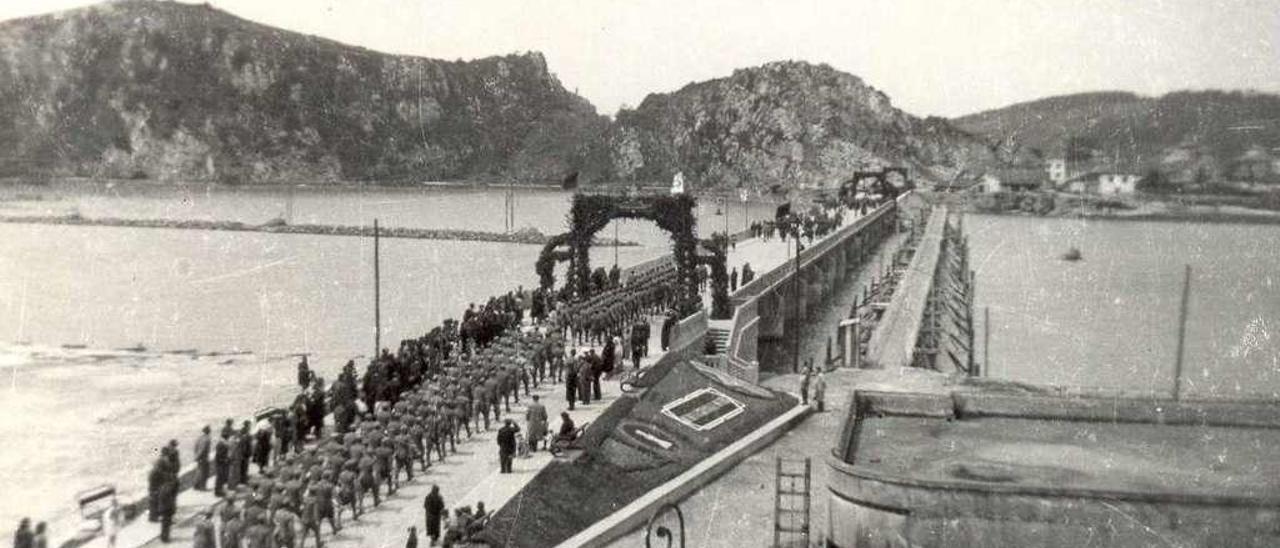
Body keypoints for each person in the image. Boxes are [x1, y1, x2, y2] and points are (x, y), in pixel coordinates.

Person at [193, 425, 211, 491]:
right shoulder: (207, 439)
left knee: (199, 471)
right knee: (204, 473)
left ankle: (196, 485)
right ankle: (202, 487)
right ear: (208, 431)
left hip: (199, 458)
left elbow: (195, 447)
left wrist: (196, 456)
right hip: (204, 458)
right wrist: (199, 457)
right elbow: (203, 450)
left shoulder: (199, 438)